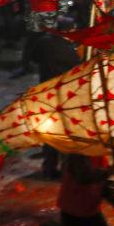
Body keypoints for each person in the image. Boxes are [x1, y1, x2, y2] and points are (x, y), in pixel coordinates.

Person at [33, 26, 82, 179]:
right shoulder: (67, 49)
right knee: (62, 133)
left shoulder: (43, 42)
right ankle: (63, 168)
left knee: (49, 132)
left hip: (46, 92)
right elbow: (76, 66)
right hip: (63, 95)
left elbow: (34, 57)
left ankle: (49, 167)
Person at [13, 0, 68, 78]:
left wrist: (61, 13)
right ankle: (24, 66)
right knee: (30, 43)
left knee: (50, 44)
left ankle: (53, 68)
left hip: (50, 17)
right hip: (34, 17)